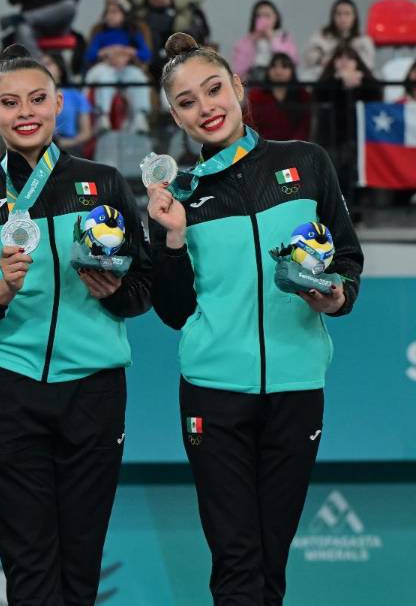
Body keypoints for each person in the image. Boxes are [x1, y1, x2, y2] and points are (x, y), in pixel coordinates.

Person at [147, 32, 363, 606]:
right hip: (213, 393)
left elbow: (347, 259)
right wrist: (172, 237)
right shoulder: (175, 195)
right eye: (188, 101)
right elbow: (173, 311)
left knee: (271, 558)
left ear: (238, 87)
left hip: (297, 387)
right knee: (237, 560)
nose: (206, 107)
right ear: (176, 117)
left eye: (214, 89)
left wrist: (336, 297)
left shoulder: (306, 162)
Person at [0, 43, 151, 605]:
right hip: (9, 390)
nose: (25, 112)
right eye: (10, 103)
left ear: (60, 104)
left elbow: (144, 290)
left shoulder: (104, 184)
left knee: (80, 567)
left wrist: (116, 292)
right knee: (29, 567)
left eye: (37, 99)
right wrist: (0, 292)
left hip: (94, 388)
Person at [313, 44, 382, 204]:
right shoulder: (327, 82)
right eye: (340, 58)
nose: (344, 61)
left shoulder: (367, 82)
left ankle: (356, 211)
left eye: (349, 58)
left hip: (361, 141)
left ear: (357, 63)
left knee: (356, 178)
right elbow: (319, 95)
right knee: (333, 178)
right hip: (331, 140)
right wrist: (339, 82)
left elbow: (376, 97)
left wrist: (360, 83)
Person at [84, 1, 153, 133]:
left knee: (138, 78)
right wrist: (107, 51)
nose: (110, 16)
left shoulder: (133, 33)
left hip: (126, 67)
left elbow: (146, 54)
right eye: (108, 13)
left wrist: (127, 52)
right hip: (106, 66)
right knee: (104, 78)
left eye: (114, 12)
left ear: (123, 15)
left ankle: (140, 117)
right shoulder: (101, 35)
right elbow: (89, 55)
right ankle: (103, 117)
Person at [0, 0, 79, 58]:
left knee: (70, 4)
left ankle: (23, 18)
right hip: (34, 28)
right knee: (22, 28)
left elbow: (74, 0)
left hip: (57, 27)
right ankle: (39, 63)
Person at [302, 0, 375, 80]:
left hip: (354, 78)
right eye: (338, 14)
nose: (342, 18)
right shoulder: (322, 35)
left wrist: (349, 66)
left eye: (347, 14)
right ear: (333, 16)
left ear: (355, 17)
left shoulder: (363, 40)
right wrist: (321, 60)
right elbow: (308, 57)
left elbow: (368, 65)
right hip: (326, 76)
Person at [247, 53, 310, 142]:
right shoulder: (255, 95)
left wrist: (293, 146)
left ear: (292, 71)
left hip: (295, 147)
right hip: (263, 146)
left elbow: (304, 127)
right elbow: (249, 126)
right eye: (274, 66)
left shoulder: (302, 95)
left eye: (284, 67)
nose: (278, 71)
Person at [231, 0, 298, 82]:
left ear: (276, 18)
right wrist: (252, 42)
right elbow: (238, 69)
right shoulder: (247, 41)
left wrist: (273, 39)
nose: (263, 19)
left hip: (278, 79)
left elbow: (291, 61)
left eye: (267, 15)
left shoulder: (284, 38)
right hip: (253, 78)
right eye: (259, 16)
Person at [41, 51, 92, 153]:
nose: (44, 68)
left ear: (60, 69)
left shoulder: (76, 95)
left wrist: (68, 142)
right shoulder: (32, 96)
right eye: (42, 65)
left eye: (48, 64)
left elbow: (86, 132)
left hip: (67, 147)